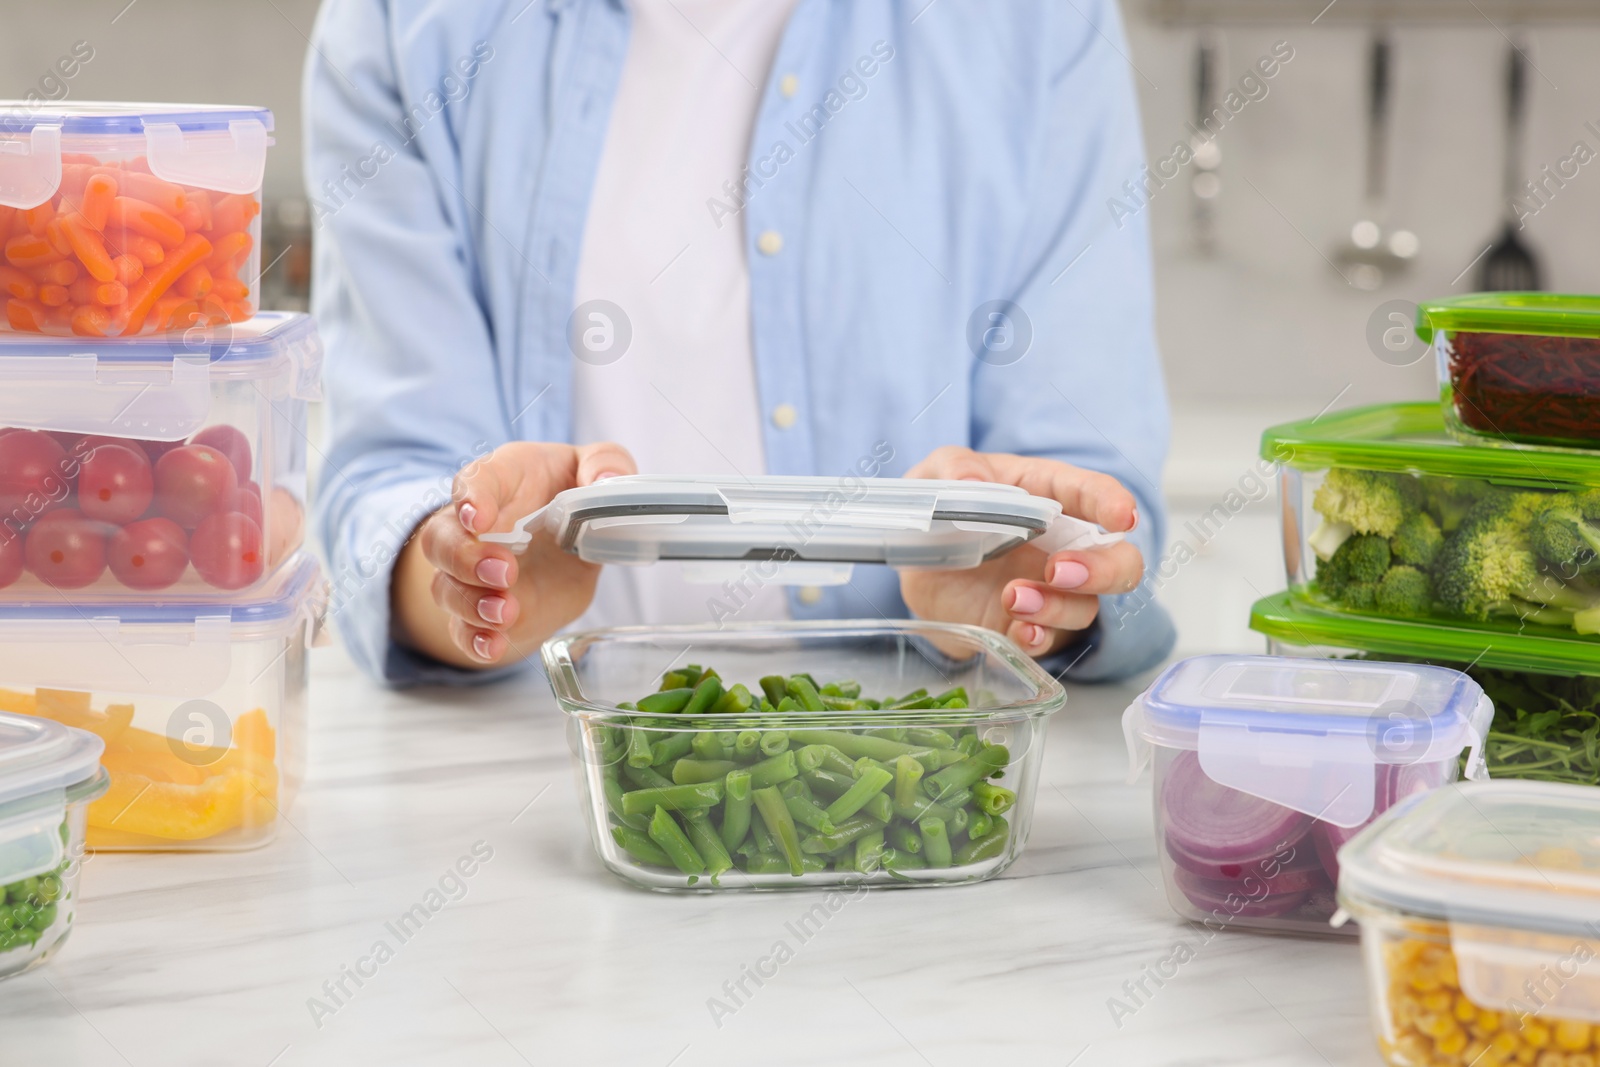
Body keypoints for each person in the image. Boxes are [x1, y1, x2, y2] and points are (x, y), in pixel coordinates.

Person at [305, 0, 1174, 686]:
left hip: (927, 750)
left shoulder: (1036, 22)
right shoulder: (398, 18)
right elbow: (393, 483)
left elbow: (1096, 506)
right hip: (533, 764)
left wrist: (1023, 576)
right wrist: (478, 580)